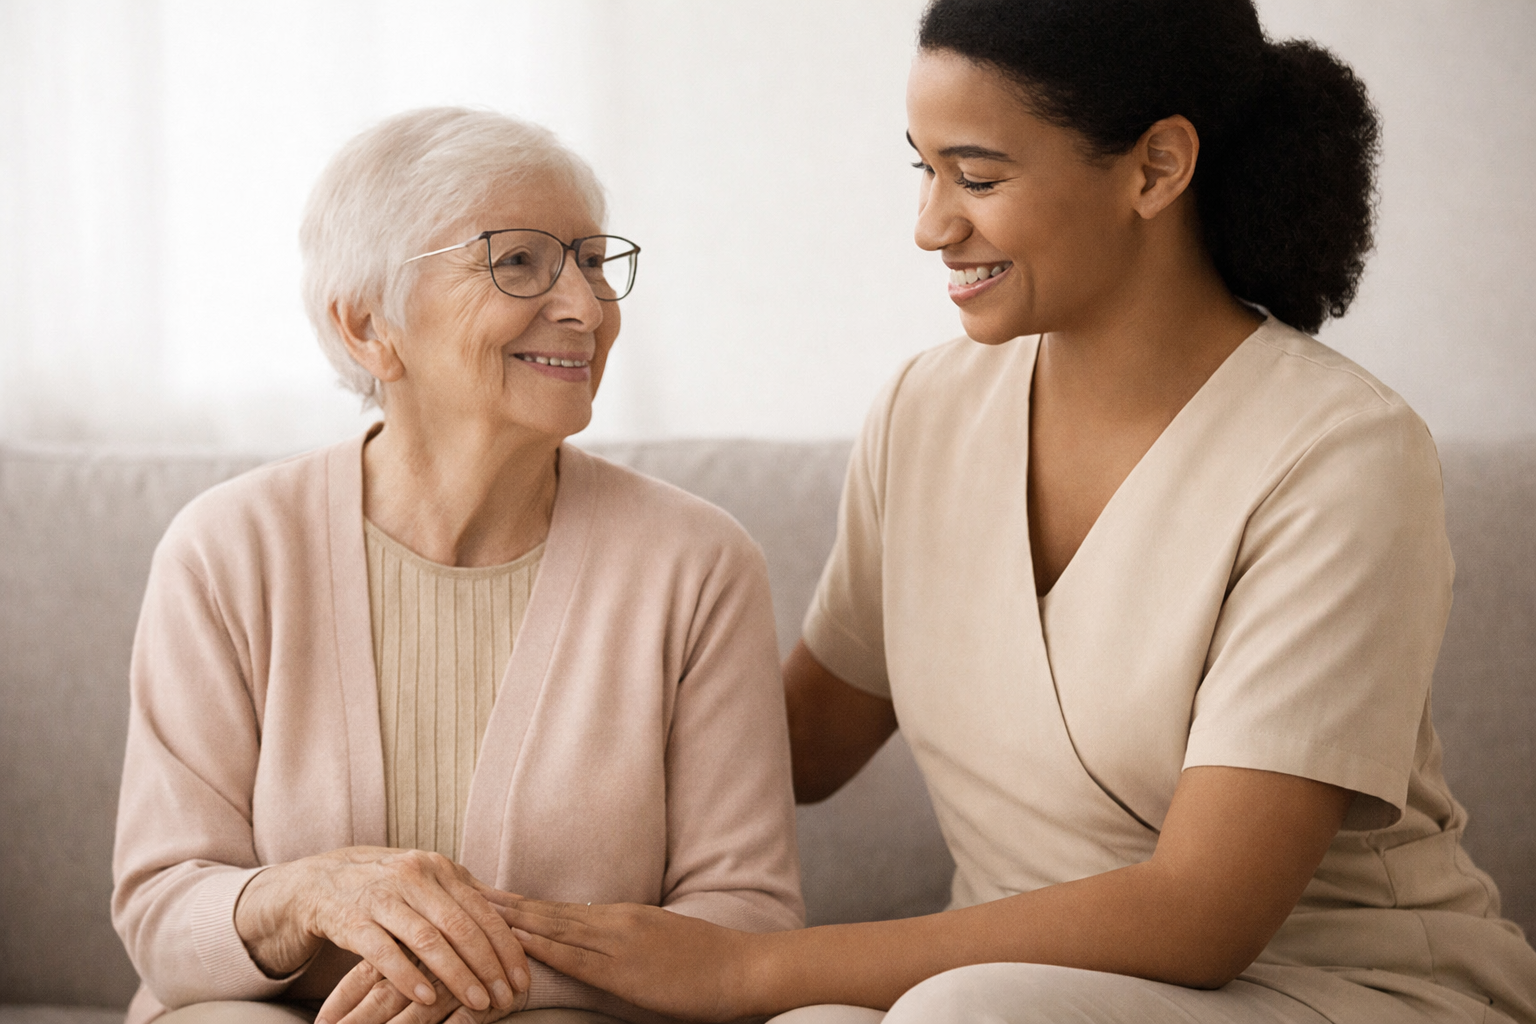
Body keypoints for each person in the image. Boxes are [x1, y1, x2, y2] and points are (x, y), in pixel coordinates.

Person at [482, 2, 1536, 1023]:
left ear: (1156, 168)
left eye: (977, 176)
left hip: (1340, 989)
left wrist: (750, 971)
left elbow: (1202, 914)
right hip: (1004, 993)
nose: (932, 225)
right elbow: (795, 744)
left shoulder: (1341, 454)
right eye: (924, 169)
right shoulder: (926, 410)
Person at [110, 106, 803, 1024]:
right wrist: (309, 893)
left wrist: (467, 978)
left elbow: (746, 918)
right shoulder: (227, 549)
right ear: (368, 328)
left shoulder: (698, 563)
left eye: (594, 262)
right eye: (519, 261)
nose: (587, 308)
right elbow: (163, 909)